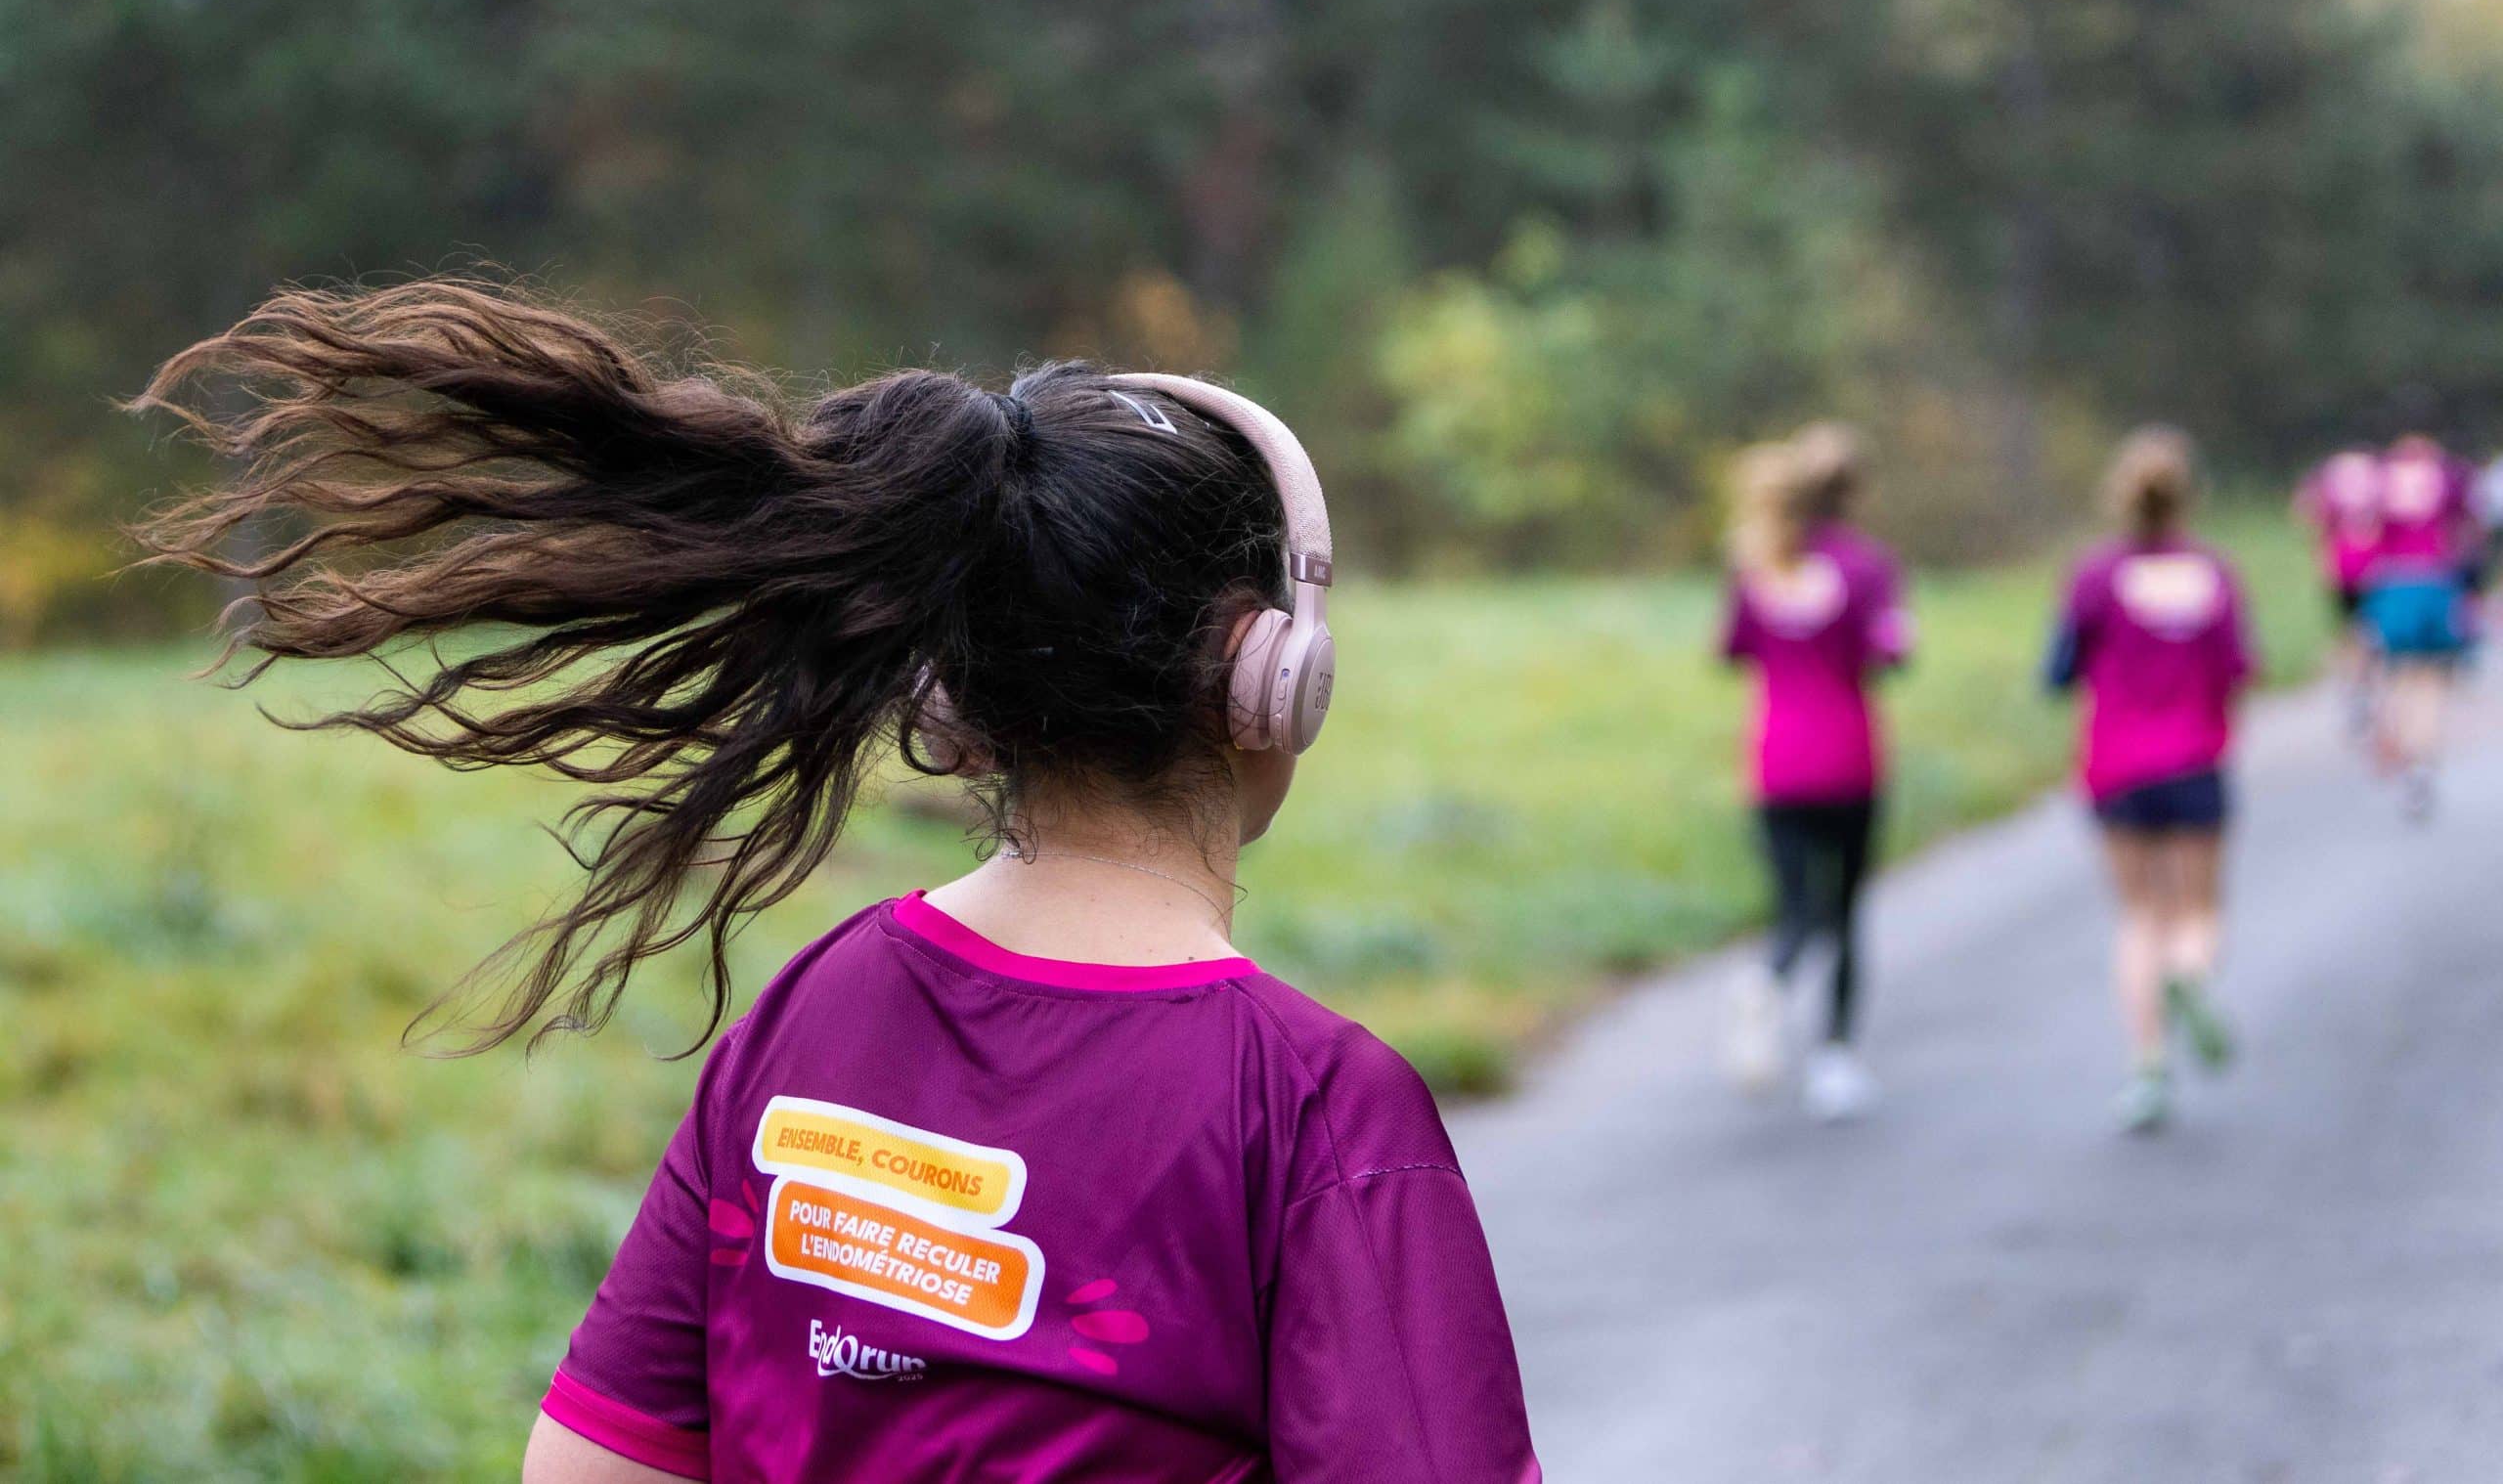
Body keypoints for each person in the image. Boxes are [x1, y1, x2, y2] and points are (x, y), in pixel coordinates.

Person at [131, 282, 1540, 1484]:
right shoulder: (1311, 1104)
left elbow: (588, 1464)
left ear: (951, 690)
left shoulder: (817, 1007)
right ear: (1267, 672)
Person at [2046, 428, 2253, 1134]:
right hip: (2196, 757)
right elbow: (2240, 668)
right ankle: (2189, 978)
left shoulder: (2095, 576)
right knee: (2199, 911)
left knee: (2139, 917)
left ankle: (2148, 1065)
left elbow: (2059, 669)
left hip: (2115, 765)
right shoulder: (2215, 573)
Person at [1719, 427, 1910, 1122]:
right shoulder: (1868, 568)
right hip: (1850, 759)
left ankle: (1768, 978)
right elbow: (1891, 650)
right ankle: (1834, 1057)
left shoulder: (1757, 564)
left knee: (1794, 908)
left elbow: (1732, 649)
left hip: (1776, 761)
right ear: (1853, 491)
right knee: (1847, 911)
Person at [2360, 434, 2478, 819]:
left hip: (2392, 582)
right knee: (2430, 681)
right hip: (2435, 581)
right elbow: (2468, 527)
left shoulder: (2379, 478)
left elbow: (2363, 530)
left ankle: (2403, 750)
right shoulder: (2448, 476)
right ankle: (2422, 760)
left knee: (2396, 676)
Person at [2292, 447, 2383, 732]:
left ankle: (2355, 685)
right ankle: (2363, 683)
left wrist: (2323, 560)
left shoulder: (2330, 485)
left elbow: (2307, 516)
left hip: (2342, 568)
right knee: (2371, 632)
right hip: (2373, 569)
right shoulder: (2376, 482)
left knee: (2349, 631)